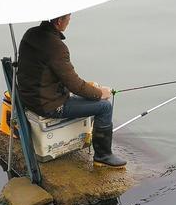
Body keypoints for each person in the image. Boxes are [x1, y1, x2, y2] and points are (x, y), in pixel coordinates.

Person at [17, 13, 126, 168]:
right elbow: (75, 85)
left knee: (90, 93)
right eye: (68, 18)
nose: (69, 21)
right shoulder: (56, 47)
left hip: (28, 97)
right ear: (59, 21)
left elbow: (49, 74)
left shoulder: (31, 34)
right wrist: (100, 93)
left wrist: (89, 87)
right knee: (104, 107)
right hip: (48, 105)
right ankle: (103, 156)